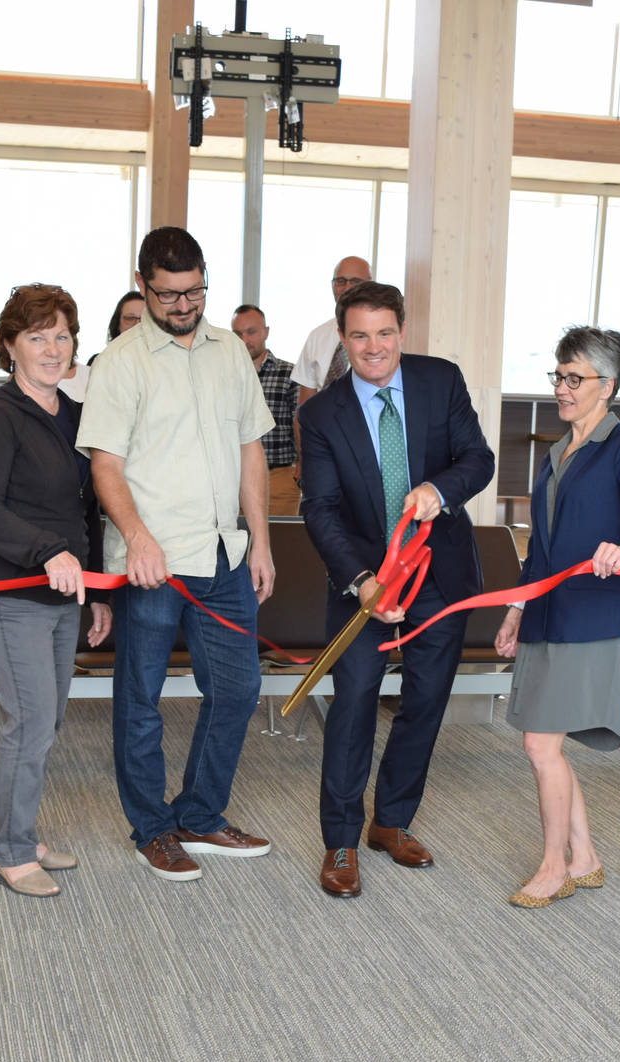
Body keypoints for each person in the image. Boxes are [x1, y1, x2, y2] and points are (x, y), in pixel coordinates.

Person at [78, 227, 279, 882]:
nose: (184, 305)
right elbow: (105, 465)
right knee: (141, 699)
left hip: (224, 556)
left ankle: (199, 813)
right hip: (154, 564)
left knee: (239, 688)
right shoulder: (120, 362)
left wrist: (260, 540)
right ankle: (153, 828)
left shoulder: (230, 353)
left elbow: (250, 448)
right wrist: (137, 536)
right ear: (143, 285)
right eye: (169, 295)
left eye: (195, 291)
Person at [297, 282, 496, 898]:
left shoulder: (441, 380)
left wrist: (439, 490)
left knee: (426, 700)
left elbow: (478, 458)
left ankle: (391, 821)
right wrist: (362, 582)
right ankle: (340, 840)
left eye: (385, 333)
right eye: (359, 335)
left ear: (401, 331)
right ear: (342, 338)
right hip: (363, 581)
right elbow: (320, 509)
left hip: (438, 573)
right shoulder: (320, 414)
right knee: (354, 700)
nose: (374, 347)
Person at [494, 327, 620, 907]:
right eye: (558, 376)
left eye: (575, 378)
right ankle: (585, 857)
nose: (562, 388)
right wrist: (516, 607)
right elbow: (539, 549)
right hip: (545, 612)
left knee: (540, 746)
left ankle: (553, 867)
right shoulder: (554, 454)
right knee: (546, 745)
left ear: (607, 385)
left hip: (590, 618)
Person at [0, 284, 111, 898]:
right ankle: (11, 851)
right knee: (30, 722)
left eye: (62, 336)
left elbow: (85, 508)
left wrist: (98, 590)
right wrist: (46, 551)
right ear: (10, 346)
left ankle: (18, 830)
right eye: (37, 337)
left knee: (47, 721)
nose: (53, 349)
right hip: (8, 593)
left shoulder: (71, 414)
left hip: (63, 596)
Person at [231, 303, 300, 516]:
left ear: (266, 332)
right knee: (236, 537)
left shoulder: (289, 374)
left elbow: (302, 425)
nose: (244, 340)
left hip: (278, 478)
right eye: (238, 334)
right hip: (233, 479)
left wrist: (301, 468)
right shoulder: (224, 375)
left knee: (279, 535)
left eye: (251, 332)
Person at [292, 255, 372, 404]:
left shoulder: (382, 336)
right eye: (340, 281)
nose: (347, 288)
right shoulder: (317, 336)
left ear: (371, 285)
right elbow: (304, 407)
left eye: (355, 281)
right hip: (321, 418)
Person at [63, 290, 146, 402]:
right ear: (118, 324)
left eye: (144, 319)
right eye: (130, 318)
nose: (137, 324)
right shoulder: (99, 362)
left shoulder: (162, 364)